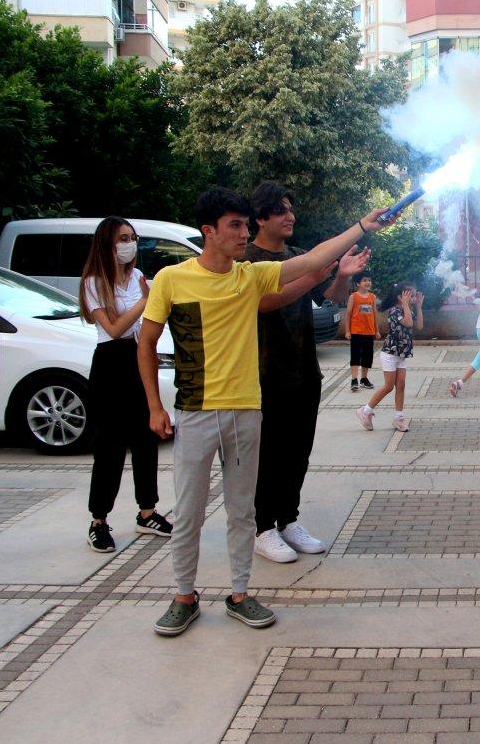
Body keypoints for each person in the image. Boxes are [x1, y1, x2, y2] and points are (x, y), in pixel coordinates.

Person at [138, 187, 390, 637]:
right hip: (195, 411)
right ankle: (183, 595)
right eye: (234, 225)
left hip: (246, 408)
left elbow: (311, 263)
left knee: (241, 510)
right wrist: (155, 406)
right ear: (208, 231)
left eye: (243, 224)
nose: (242, 233)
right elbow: (146, 342)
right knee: (190, 510)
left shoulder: (248, 275)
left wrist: (361, 227)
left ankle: (239, 593)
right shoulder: (172, 280)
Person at [244, 183, 370, 564]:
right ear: (261, 217)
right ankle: (262, 527)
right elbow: (264, 302)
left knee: (298, 452)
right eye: (281, 211)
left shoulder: (299, 255)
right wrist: (313, 277)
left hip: (304, 370)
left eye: (291, 209)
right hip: (265, 373)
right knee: (269, 454)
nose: (290, 217)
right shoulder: (246, 258)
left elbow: (328, 299)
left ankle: (289, 520)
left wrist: (342, 275)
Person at [79, 217, 172, 553]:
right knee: (110, 446)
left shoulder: (138, 278)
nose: (129, 243)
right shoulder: (94, 282)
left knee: (146, 438)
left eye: (132, 237)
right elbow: (114, 328)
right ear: (107, 242)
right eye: (122, 238)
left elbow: (148, 324)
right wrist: (145, 302)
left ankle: (147, 511)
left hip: (138, 358)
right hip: (109, 362)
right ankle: (98, 520)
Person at [357, 282, 424, 431]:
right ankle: (365, 410)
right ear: (400, 297)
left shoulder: (407, 309)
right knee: (388, 386)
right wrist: (407, 305)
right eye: (410, 295)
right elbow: (407, 323)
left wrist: (418, 306)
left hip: (401, 354)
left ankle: (398, 418)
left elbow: (418, 326)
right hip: (390, 354)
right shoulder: (395, 311)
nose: (413, 298)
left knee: (401, 385)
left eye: (414, 295)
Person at [345, 273, 379, 392]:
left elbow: (374, 314)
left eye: (369, 280)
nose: (368, 282)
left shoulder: (372, 297)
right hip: (356, 331)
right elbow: (348, 314)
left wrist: (377, 330)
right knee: (355, 356)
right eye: (365, 280)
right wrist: (347, 330)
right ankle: (354, 380)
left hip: (369, 332)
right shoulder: (353, 297)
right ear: (358, 283)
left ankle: (364, 378)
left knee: (367, 356)